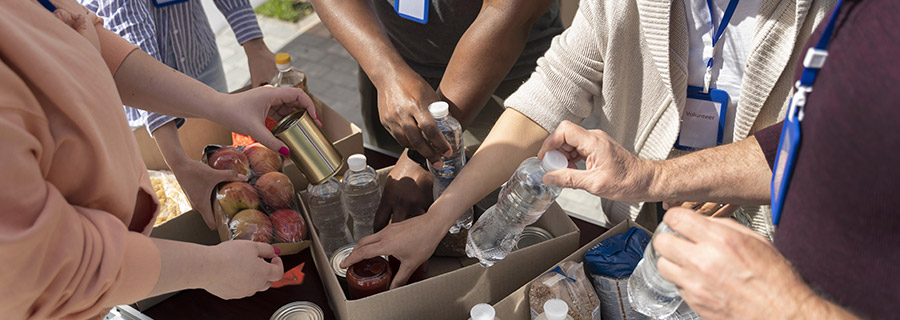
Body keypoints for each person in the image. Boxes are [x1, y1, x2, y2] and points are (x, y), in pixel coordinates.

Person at [342, 0, 836, 287]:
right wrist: (439, 216)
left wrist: (672, 176)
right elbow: (552, 89)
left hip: (777, 261)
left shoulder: (843, 15)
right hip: (638, 242)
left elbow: (831, 141)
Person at [527, 0, 898, 318]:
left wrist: (785, 304)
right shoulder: (864, 19)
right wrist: (653, 177)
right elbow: (803, 138)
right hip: (688, 260)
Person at [0, 1, 316, 318]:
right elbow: (47, 264)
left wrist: (222, 106)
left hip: (109, 277)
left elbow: (90, 44)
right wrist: (209, 267)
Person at [309, 0, 564, 229]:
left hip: (495, 75)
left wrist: (422, 156)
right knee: (394, 193)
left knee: (495, 218)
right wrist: (385, 72)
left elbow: (509, 11)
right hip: (385, 56)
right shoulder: (385, 71)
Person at [79, 0, 280, 229]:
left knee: (219, 153)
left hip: (197, 53)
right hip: (134, 87)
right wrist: (177, 160)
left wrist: (255, 45)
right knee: (159, 178)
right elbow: (130, 39)